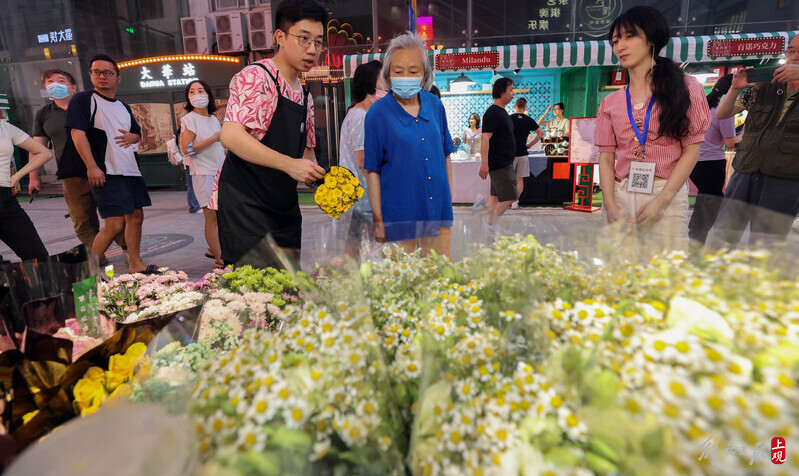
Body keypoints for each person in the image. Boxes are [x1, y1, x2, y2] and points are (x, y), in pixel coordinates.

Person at [215, 0, 327, 265]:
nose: (312, 49)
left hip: (284, 203)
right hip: (247, 202)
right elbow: (230, 136)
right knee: (254, 294)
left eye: (319, 42)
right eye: (304, 39)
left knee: (288, 285)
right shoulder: (256, 76)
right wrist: (290, 165)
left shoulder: (305, 93)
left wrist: (323, 185)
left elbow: (305, 153)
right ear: (280, 37)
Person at [595, 6, 710, 249]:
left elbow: (691, 149)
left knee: (666, 271)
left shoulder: (686, 88)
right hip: (621, 191)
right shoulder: (610, 102)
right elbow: (605, 157)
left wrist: (663, 200)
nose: (620, 47)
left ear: (651, 39)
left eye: (630, 36)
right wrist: (609, 203)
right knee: (620, 273)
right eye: (615, 41)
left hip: (665, 190)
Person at [364, 32, 455, 256]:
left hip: (437, 211)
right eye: (398, 71)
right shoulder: (378, 113)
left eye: (413, 71)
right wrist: (378, 220)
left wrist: (448, 202)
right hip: (398, 215)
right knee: (403, 284)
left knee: (439, 277)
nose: (406, 77)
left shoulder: (435, 105)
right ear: (388, 75)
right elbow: (372, 171)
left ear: (424, 75)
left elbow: (445, 157)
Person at [65, 54, 155, 273]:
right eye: (96, 72)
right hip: (107, 170)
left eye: (107, 73)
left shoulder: (123, 106)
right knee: (114, 224)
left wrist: (135, 137)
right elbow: (78, 134)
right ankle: (90, 271)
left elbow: (136, 132)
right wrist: (92, 166)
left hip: (130, 170)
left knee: (136, 217)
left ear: (118, 77)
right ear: (90, 75)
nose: (102, 76)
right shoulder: (84, 99)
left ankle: (135, 263)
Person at [708, 34, 799, 246]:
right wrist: (735, 88)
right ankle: (715, 276)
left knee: (766, 244)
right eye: (791, 51)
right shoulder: (764, 87)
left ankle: (756, 278)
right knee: (723, 234)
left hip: (785, 177)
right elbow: (723, 113)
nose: (794, 56)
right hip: (745, 169)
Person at [30, 69, 127, 264]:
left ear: (73, 87)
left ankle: (128, 250)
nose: (55, 84)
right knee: (82, 219)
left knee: (116, 214)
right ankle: (96, 257)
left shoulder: (90, 106)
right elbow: (37, 148)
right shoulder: (43, 114)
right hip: (71, 175)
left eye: (61, 80)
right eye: (50, 81)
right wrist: (33, 177)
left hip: (104, 169)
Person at [337, 60, 383, 259]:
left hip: (360, 200)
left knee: (358, 253)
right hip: (360, 201)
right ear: (372, 83)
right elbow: (363, 161)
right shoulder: (360, 116)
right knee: (355, 255)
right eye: (385, 80)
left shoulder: (365, 114)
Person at [688, 74, 741, 245]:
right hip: (712, 163)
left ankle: (696, 238)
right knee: (708, 205)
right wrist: (746, 135)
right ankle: (696, 243)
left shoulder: (701, 105)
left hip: (693, 162)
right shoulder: (724, 109)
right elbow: (730, 143)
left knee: (707, 202)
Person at [179, 80, 226, 268]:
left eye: (200, 90)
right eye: (192, 91)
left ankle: (213, 248)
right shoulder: (189, 119)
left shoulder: (214, 119)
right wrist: (214, 138)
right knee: (211, 216)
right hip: (204, 173)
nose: (197, 94)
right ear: (188, 98)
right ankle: (219, 259)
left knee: (222, 215)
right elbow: (186, 149)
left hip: (220, 171)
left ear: (208, 94)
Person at [1, 120, 51, 260]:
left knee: (38, 257)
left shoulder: (5, 127)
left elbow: (44, 153)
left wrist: (17, 176)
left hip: (5, 199)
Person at [479, 77, 518, 233]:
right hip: (500, 163)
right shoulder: (492, 113)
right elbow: (485, 138)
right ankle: (491, 225)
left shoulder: (501, 112)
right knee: (510, 196)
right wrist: (484, 163)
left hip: (503, 161)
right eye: (511, 90)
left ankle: (487, 226)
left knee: (494, 199)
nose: (513, 93)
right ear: (502, 91)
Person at [510, 97, 544, 209]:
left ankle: (506, 201)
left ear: (515, 106)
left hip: (510, 154)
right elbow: (540, 133)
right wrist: (530, 144)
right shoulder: (529, 120)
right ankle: (515, 201)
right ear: (525, 107)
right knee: (520, 179)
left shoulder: (509, 118)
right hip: (523, 153)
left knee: (509, 178)